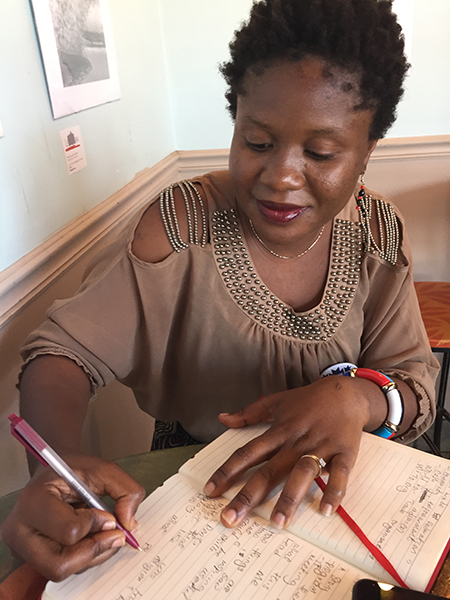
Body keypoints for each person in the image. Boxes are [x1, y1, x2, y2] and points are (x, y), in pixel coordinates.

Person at [1, 0, 439, 583]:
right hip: (197, 486)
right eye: (257, 142)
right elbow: (62, 354)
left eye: (321, 153)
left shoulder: (377, 236)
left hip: (331, 496)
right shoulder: (184, 226)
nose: (281, 175)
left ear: (367, 151)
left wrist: (357, 399)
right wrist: (48, 469)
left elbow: (415, 386)